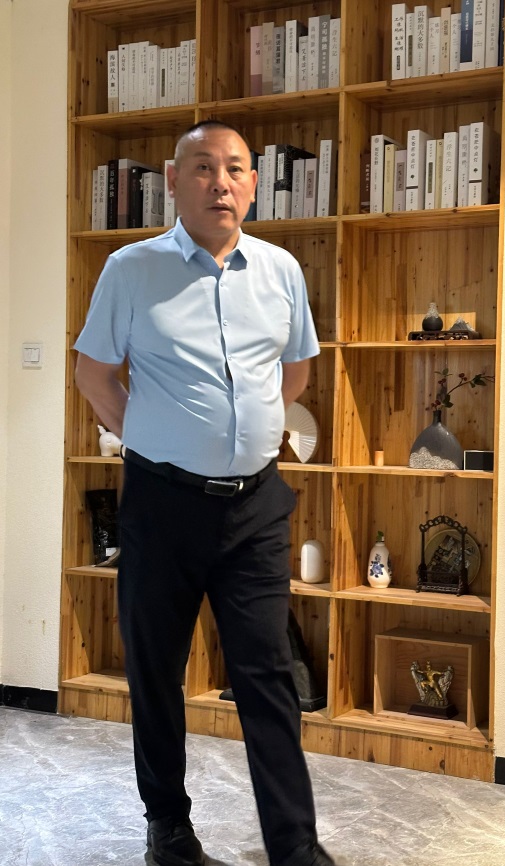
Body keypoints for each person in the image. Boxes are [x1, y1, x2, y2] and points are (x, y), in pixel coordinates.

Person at [74, 120, 336, 866]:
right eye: (203, 167)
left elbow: (294, 373)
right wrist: (153, 436)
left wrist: (244, 431)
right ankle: (169, 830)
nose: (221, 182)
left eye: (236, 168)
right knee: (157, 673)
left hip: (256, 507)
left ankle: (295, 846)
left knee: (268, 677)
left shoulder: (281, 270)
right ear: (173, 179)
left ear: (253, 183)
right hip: (163, 505)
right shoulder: (131, 269)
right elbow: (94, 373)